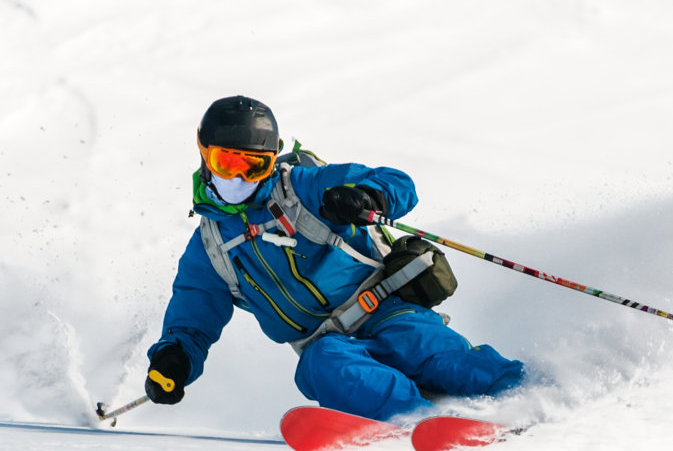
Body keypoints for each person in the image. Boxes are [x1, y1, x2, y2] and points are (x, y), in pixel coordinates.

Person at [142, 95, 523, 421]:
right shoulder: (210, 247)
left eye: (254, 165)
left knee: (440, 358)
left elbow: (398, 182)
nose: (240, 178)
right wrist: (173, 359)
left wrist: (368, 198)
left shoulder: (304, 189)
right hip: (326, 345)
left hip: (389, 310)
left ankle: (536, 401)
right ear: (204, 154)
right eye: (228, 163)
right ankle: (422, 421)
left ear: (272, 162)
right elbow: (192, 321)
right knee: (324, 367)